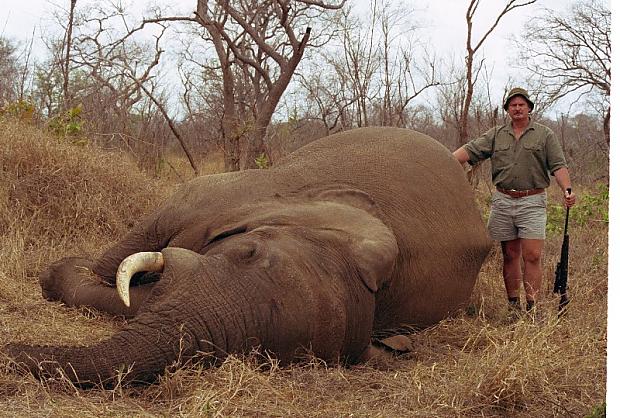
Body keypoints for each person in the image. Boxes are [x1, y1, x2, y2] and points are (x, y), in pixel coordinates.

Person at [452, 87, 577, 315]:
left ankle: (532, 308)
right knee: (510, 254)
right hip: (503, 200)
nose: (517, 108)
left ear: (529, 108)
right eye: (513, 105)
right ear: (507, 109)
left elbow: (558, 166)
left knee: (532, 255)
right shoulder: (496, 134)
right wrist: (443, 160)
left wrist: (567, 190)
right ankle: (513, 307)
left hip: (532, 200)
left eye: (521, 105)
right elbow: (470, 151)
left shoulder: (544, 135)